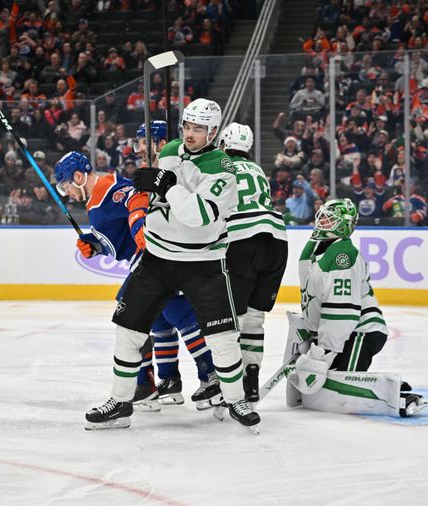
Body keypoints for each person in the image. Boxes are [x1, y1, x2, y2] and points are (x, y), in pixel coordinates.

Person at [79, 98, 260, 431]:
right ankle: (121, 401)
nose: (191, 134)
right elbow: (154, 199)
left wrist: (169, 185)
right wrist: (146, 191)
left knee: (221, 338)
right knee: (128, 329)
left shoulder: (223, 168)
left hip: (203, 261)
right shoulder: (170, 151)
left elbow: (199, 215)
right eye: (187, 127)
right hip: (158, 258)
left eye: (199, 129)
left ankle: (235, 400)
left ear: (214, 131)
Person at [287, 199, 428, 417]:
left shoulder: (343, 256)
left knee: (333, 387)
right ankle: (395, 390)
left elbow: (341, 312)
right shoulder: (317, 250)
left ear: (342, 225)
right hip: (345, 334)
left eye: (329, 218)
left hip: (359, 332)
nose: (321, 221)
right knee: (325, 385)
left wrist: (323, 351)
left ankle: (399, 397)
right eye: (322, 216)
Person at [129, 120, 221, 411]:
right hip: (156, 255)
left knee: (178, 314)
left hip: (181, 255)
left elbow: (189, 209)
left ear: (160, 143)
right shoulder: (152, 172)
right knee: (160, 321)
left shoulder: (184, 170)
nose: (140, 147)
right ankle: (169, 379)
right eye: (140, 142)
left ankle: (211, 375)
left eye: (145, 141)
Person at [219, 122, 289, 402]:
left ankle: (229, 384)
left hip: (241, 238)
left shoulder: (220, 166)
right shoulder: (258, 170)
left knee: (231, 318)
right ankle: (251, 377)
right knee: (255, 318)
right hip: (275, 239)